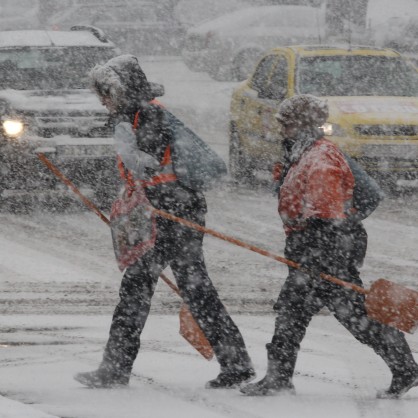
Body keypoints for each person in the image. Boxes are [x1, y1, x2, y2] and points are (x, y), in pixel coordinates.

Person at [74, 55, 254, 389]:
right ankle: (236, 363)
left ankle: (115, 369)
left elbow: (149, 164)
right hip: (169, 209)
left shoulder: (148, 115)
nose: (103, 100)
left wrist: (129, 149)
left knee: (141, 289)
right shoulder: (135, 114)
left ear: (122, 89)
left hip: (171, 211)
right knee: (193, 287)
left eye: (106, 92)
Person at [241, 94, 418, 399]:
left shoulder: (320, 157)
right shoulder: (303, 153)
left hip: (324, 247)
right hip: (318, 246)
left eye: (286, 123)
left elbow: (324, 211)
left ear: (300, 124)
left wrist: (316, 255)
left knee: (346, 313)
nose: (281, 128)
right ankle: (279, 377)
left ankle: (405, 369)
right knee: (296, 312)